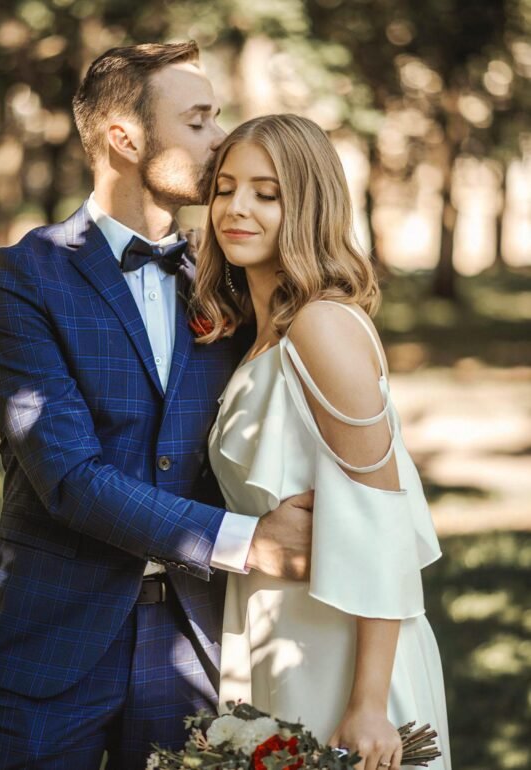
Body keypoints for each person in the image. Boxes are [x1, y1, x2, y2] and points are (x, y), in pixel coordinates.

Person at [0, 44, 314, 770]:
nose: (220, 139)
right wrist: (249, 541)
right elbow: (69, 477)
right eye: (198, 121)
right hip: (51, 641)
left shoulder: (224, 281)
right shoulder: (22, 281)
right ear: (126, 139)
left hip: (194, 647)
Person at [193, 113, 451, 770]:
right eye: (224, 188)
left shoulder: (321, 326)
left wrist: (368, 704)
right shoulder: (261, 334)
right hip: (280, 634)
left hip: (343, 656)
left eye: (266, 192)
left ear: (307, 204)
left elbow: (382, 518)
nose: (236, 208)